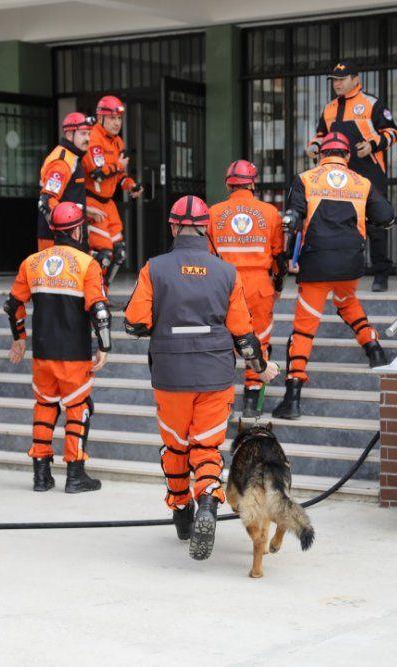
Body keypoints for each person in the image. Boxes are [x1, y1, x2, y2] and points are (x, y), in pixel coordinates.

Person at [124, 195, 279, 561]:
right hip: (215, 375)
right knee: (206, 447)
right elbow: (243, 333)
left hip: (170, 375)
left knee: (176, 447)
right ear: (207, 228)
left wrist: (164, 327)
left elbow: (133, 322)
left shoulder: (154, 268)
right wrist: (261, 367)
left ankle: (181, 513)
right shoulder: (227, 272)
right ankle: (207, 501)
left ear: (173, 226)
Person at [273, 132, 395, 421]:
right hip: (351, 264)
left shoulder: (305, 178)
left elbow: (293, 216)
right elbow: (387, 217)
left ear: (320, 155)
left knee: (304, 327)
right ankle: (374, 349)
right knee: (347, 301)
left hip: (316, 264)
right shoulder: (361, 182)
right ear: (347, 157)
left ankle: (293, 395)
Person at [4, 201, 111, 493]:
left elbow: (13, 304)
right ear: (78, 230)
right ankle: (75, 474)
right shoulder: (87, 263)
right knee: (79, 407)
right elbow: (99, 309)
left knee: (45, 406)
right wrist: (104, 346)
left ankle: (41, 475)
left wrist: (20, 338)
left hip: (42, 350)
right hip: (74, 352)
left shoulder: (32, 262)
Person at [306, 61, 397, 292]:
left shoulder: (372, 103)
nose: (337, 84)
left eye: (342, 79)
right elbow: (321, 135)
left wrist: (372, 145)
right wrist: (314, 146)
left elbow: (392, 132)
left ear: (356, 79)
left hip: (370, 172)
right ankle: (343, 273)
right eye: (335, 80)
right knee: (339, 222)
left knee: (375, 223)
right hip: (337, 175)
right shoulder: (328, 108)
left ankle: (380, 274)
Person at [208, 160, 286, 418]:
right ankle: (252, 402)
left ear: (228, 184)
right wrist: (278, 284)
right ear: (253, 183)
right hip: (259, 285)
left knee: (224, 342)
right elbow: (279, 255)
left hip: (224, 284)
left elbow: (207, 254)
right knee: (259, 339)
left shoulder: (213, 213)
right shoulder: (270, 212)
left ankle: (223, 402)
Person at [82, 95, 143, 281]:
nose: (117, 123)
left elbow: (119, 176)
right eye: (112, 118)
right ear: (100, 118)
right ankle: (92, 294)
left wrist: (131, 186)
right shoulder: (93, 138)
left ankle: (103, 293)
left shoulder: (118, 142)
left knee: (119, 252)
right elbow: (96, 173)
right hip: (92, 200)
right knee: (104, 254)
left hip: (108, 204)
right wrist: (118, 166)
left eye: (119, 119)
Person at [37, 112, 92, 252]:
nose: (88, 138)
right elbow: (47, 200)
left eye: (89, 134)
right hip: (59, 239)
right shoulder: (62, 162)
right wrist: (66, 233)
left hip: (70, 236)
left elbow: (69, 195)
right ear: (69, 135)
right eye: (83, 134)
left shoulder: (72, 157)